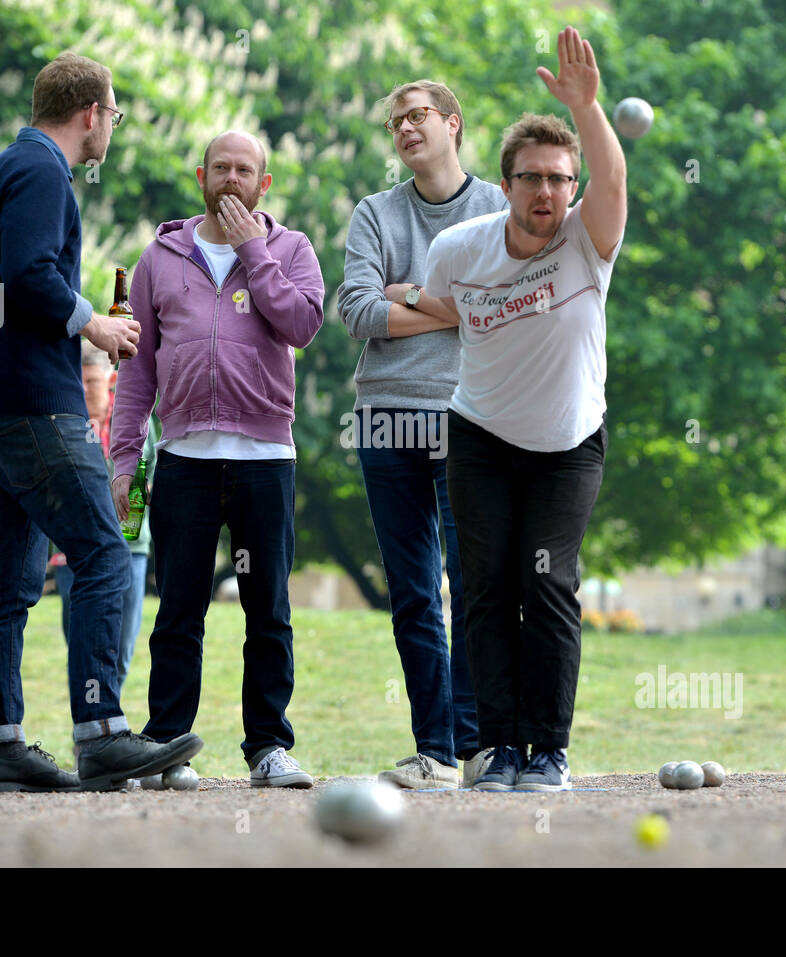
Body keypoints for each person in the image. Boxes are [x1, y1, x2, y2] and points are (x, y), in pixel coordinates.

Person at [0, 52, 203, 794]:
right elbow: (30, 275)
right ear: (91, 113)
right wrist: (94, 324)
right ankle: (102, 733)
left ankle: (1, 747)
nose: (111, 129)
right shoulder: (42, 173)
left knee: (10, 580)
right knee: (103, 551)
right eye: (113, 116)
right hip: (32, 403)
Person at [423, 27, 628, 791]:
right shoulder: (460, 249)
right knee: (484, 586)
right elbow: (442, 305)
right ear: (505, 184)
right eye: (532, 178)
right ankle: (495, 747)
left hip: (569, 441)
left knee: (546, 583)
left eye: (559, 179)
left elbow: (613, 179)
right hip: (478, 434)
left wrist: (588, 110)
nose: (548, 192)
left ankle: (548, 749)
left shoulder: (590, 241)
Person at [111, 130, 325, 789]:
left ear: (264, 184)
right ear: (201, 175)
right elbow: (137, 371)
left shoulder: (291, 250)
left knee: (269, 610)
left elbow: (301, 326)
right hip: (183, 461)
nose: (232, 178)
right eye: (221, 167)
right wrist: (125, 460)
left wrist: (253, 251)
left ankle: (268, 747)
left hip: (265, 458)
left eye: (246, 170)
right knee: (179, 610)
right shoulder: (160, 258)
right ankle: (167, 746)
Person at [337, 81, 507, 789]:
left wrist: (406, 292)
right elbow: (357, 312)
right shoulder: (375, 213)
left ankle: (478, 746)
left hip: (469, 413)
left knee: (473, 583)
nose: (405, 128)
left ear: (453, 125)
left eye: (419, 117)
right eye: (396, 121)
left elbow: (500, 302)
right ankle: (433, 750)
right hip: (385, 416)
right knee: (412, 590)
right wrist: (450, 304)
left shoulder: (495, 205)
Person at [49, 343, 156, 687]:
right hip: (73, 552)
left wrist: (144, 491)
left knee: (121, 648)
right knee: (80, 647)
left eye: (91, 381)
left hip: (129, 546)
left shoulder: (134, 418)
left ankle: (108, 728)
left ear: (110, 379)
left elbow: (152, 463)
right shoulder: (61, 421)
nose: (82, 389)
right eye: (76, 381)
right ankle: (88, 732)